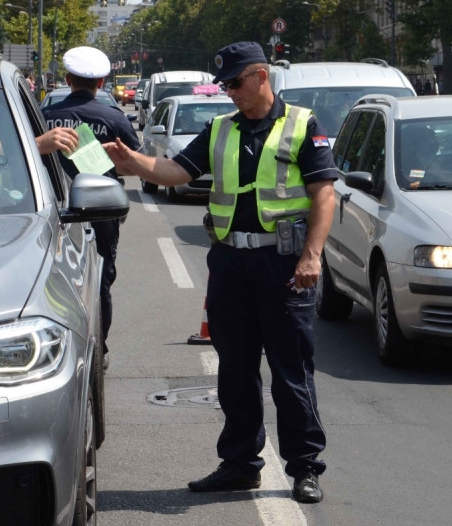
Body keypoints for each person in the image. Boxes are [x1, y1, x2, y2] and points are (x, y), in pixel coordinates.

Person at [103, 41, 337, 504]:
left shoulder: (302, 124)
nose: (228, 91)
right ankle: (240, 465)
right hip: (231, 262)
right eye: (224, 84)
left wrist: (312, 256)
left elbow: (323, 194)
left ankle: (305, 468)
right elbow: (176, 171)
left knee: (292, 371)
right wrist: (133, 163)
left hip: (284, 264)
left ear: (261, 76)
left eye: (235, 82)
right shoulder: (220, 129)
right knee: (234, 369)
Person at [41, 46, 141, 370]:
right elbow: (135, 164)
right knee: (100, 281)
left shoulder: (44, 118)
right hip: (99, 212)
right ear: (101, 83)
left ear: (67, 79)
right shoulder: (113, 118)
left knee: (52, 281)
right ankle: (101, 348)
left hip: (49, 210)